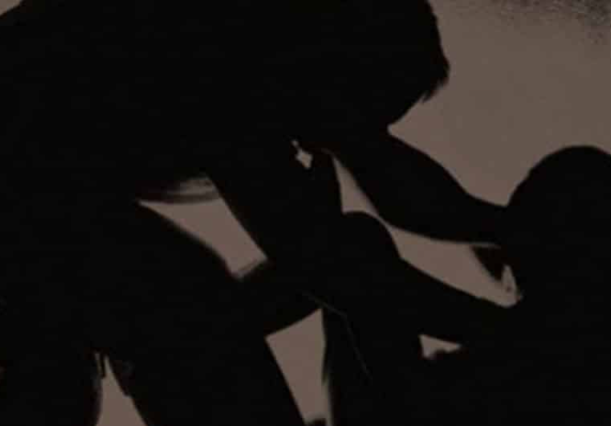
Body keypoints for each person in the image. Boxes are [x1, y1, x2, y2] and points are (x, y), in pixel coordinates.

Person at [0, 1, 507, 424]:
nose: (342, 140)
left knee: (343, 254)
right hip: (22, 188)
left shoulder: (301, 69)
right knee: (178, 298)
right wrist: (506, 331)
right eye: (361, 117)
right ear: (338, 62)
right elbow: (322, 264)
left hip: (36, 197)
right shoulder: (226, 58)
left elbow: (385, 181)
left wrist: (503, 229)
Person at [319, 146, 611, 426]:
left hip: (413, 408)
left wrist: (342, 139)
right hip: (428, 400)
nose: (513, 268)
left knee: (353, 249)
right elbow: (464, 219)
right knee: (355, 255)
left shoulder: (601, 326)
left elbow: (428, 298)